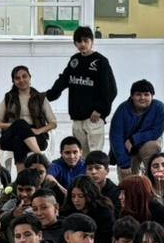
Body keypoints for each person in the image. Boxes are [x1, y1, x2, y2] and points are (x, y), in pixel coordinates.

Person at [43, 26, 117, 154]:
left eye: (85, 41)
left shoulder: (101, 62)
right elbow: (64, 80)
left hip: (93, 118)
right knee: (79, 155)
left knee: (95, 155)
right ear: (75, 43)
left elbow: (111, 89)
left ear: (92, 42)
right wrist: (46, 96)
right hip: (77, 117)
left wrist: (100, 109)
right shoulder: (74, 60)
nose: (82, 44)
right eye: (79, 41)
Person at [0, 65, 57, 162]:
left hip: (36, 136)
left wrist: (39, 130)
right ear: (13, 81)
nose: (21, 80)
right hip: (10, 136)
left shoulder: (41, 98)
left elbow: (53, 123)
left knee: (19, 140)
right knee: (20, 123)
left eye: (24, 76)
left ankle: (21, 176)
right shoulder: (8, 98)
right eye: (17, 78)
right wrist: (13, 125)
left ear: (30, 77)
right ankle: (41, 160)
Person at [110, 79, 164, 172]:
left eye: (146, 94)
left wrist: (134, 139)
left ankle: (151, 176)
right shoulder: (122, 110)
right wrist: (124, 163)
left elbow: (156, 132)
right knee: (128, 180)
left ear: (152, 96)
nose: (142, 98)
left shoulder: (159, 107)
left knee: (152, 146)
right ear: (132, 96)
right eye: (138, 94)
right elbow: (116, 138)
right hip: (127, 148)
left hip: (146, 143)